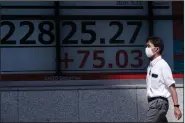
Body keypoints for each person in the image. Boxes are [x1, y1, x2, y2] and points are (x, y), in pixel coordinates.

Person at [144, 36, 182, 122]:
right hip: (152, 103)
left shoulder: (163, 65)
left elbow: (172, 86)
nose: (146, 49)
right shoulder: (150, 66)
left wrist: (176, 107)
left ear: (157, 49)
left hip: (159, 103)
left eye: (149, 46)